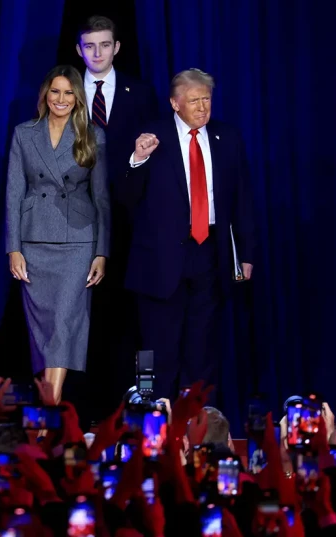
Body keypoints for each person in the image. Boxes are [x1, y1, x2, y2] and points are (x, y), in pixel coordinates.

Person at [117, 68, 255, 400]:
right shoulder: (151, 136)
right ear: (175, 103)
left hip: (210, 254)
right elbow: (125, 197)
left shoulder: (228, 138)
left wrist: (246, 254)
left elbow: (242, 200)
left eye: (207, 99)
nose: (202, 107)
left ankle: (199, 422)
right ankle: (151, 414)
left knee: (202, 348)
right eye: (194, 100)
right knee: (155, 349)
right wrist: (137, 159)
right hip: (160, 261)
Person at [5, 64, 110, 405]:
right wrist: (14, 248)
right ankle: (50, 408)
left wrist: (101, 252)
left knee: (65, 322)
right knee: (45, 330)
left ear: (77, 98)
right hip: (34, 242)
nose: (60, 99)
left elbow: (102, 199)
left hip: (77, 243)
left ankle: (51, 404)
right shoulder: (24, 133)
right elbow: (13, 194)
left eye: (68, 93)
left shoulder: (93, 135)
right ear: (45, 95)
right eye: (55, 92)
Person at [75, 15, 159, 415]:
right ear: (79, 50)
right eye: (89, 46)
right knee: (78, 317)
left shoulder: (140, 93)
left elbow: (152, 156)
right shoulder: (65, 91)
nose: (97, 53)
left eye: (104, 45)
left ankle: (122, 408)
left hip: (127, 220)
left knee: (123, 317)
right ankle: (82, 406)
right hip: (74, 221)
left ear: (117, 47)